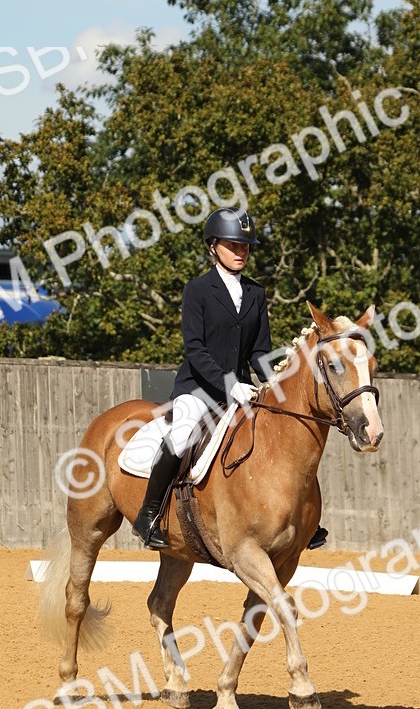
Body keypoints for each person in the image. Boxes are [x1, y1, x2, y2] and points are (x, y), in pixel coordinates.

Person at [132, 206, 328, 551]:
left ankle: (303, 519)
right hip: (199, 388)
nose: (241, 252)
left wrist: (275, 388)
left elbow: (258, 351)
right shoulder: (197, 290)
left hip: (244, 390)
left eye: (245, 246)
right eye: (233, 245)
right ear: (212, 246)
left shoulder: (256, 293)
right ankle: (148, 515)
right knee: (181, 437)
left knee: (285, 437)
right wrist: (228, 383)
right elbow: (195, 349)